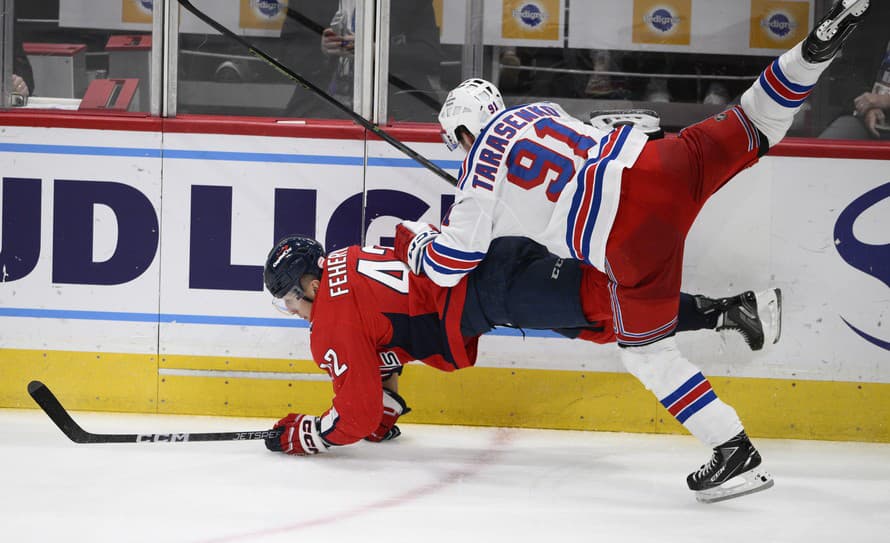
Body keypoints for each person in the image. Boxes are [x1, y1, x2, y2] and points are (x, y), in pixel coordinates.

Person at [392, 0, 870, 503]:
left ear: (464, 131)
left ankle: (734, 452)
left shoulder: (476, 175)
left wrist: (421, 245)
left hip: (629, 238)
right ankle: (812, 56)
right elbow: (604, 132)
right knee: (756, 120)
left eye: (456, 141)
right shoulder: (541, 110)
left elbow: (450, 266)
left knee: (648, 352)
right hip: (661, 163)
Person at [260, 234, 781, 453]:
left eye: (290, 299)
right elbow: (390, 337)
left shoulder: (330, 317)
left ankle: (730, 309)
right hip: (492, 267)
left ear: (308, 283)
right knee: (609, 323)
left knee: (613, 305)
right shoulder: (348, 259)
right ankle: (729, 314)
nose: (295, 311)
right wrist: (387, 403)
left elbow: (349, 418)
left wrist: (305, 434)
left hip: (493, 292)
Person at [280, 0, 443, 121]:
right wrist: (321, 49)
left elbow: (429, 55)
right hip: (319, 105)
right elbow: (286, 54)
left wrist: (376, 52)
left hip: (395, 107)